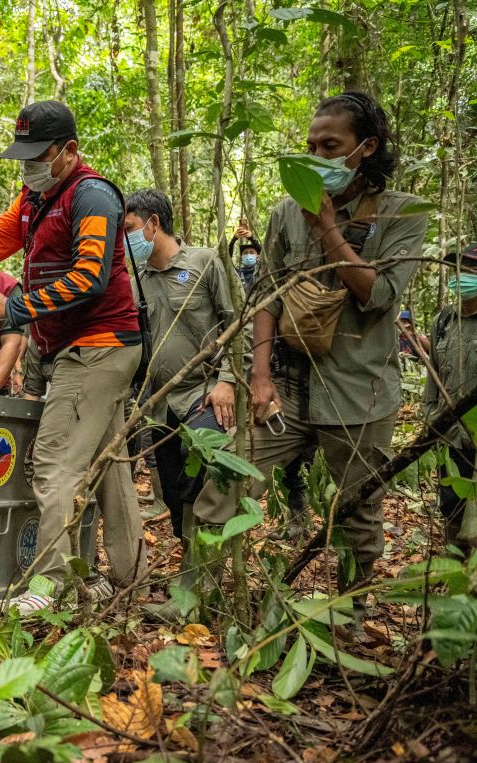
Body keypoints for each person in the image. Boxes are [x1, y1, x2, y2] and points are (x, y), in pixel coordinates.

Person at [191, 91, 429, 627]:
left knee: (357, 510)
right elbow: (266, 297)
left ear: (366, 148)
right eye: (309, 145)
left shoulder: (401, 213)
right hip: (287, 389)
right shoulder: (283, 213)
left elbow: (379, 295)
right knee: (226, 483)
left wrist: (326, 226)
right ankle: (198, 599)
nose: (315, 155)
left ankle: (349, 614)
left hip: (359, 392)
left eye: (330, 146)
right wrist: (257, 376)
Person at [0, 100, 145, 613]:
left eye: (38, 156)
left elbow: (90, 277)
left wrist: (14, 307)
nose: (29, 166)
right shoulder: (36, 199)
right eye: (24, 158)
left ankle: (52, 587)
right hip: (73, 345)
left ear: (69, 151)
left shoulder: (92, 196)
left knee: (53, 463)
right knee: (110, 468)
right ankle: (132, 582)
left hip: (99, 345)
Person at [122, 188, 242, 559]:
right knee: (174, 495)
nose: (123, 238)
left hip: (203, 393)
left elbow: (240, 323)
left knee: (202, 480)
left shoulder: (205, 263)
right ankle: (193, 570)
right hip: (159, 404)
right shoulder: (135, 280)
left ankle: (207, 575)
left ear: (153, 224)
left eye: (128, 228)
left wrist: (228, 380)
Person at [425, 243, 477, 556]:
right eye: (461, 269)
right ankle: (456, 569)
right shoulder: (443, 319)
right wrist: (430, 416)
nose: (464, 276)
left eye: (472, 269)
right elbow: (433, 372)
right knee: (451, 506)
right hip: (451, 434)